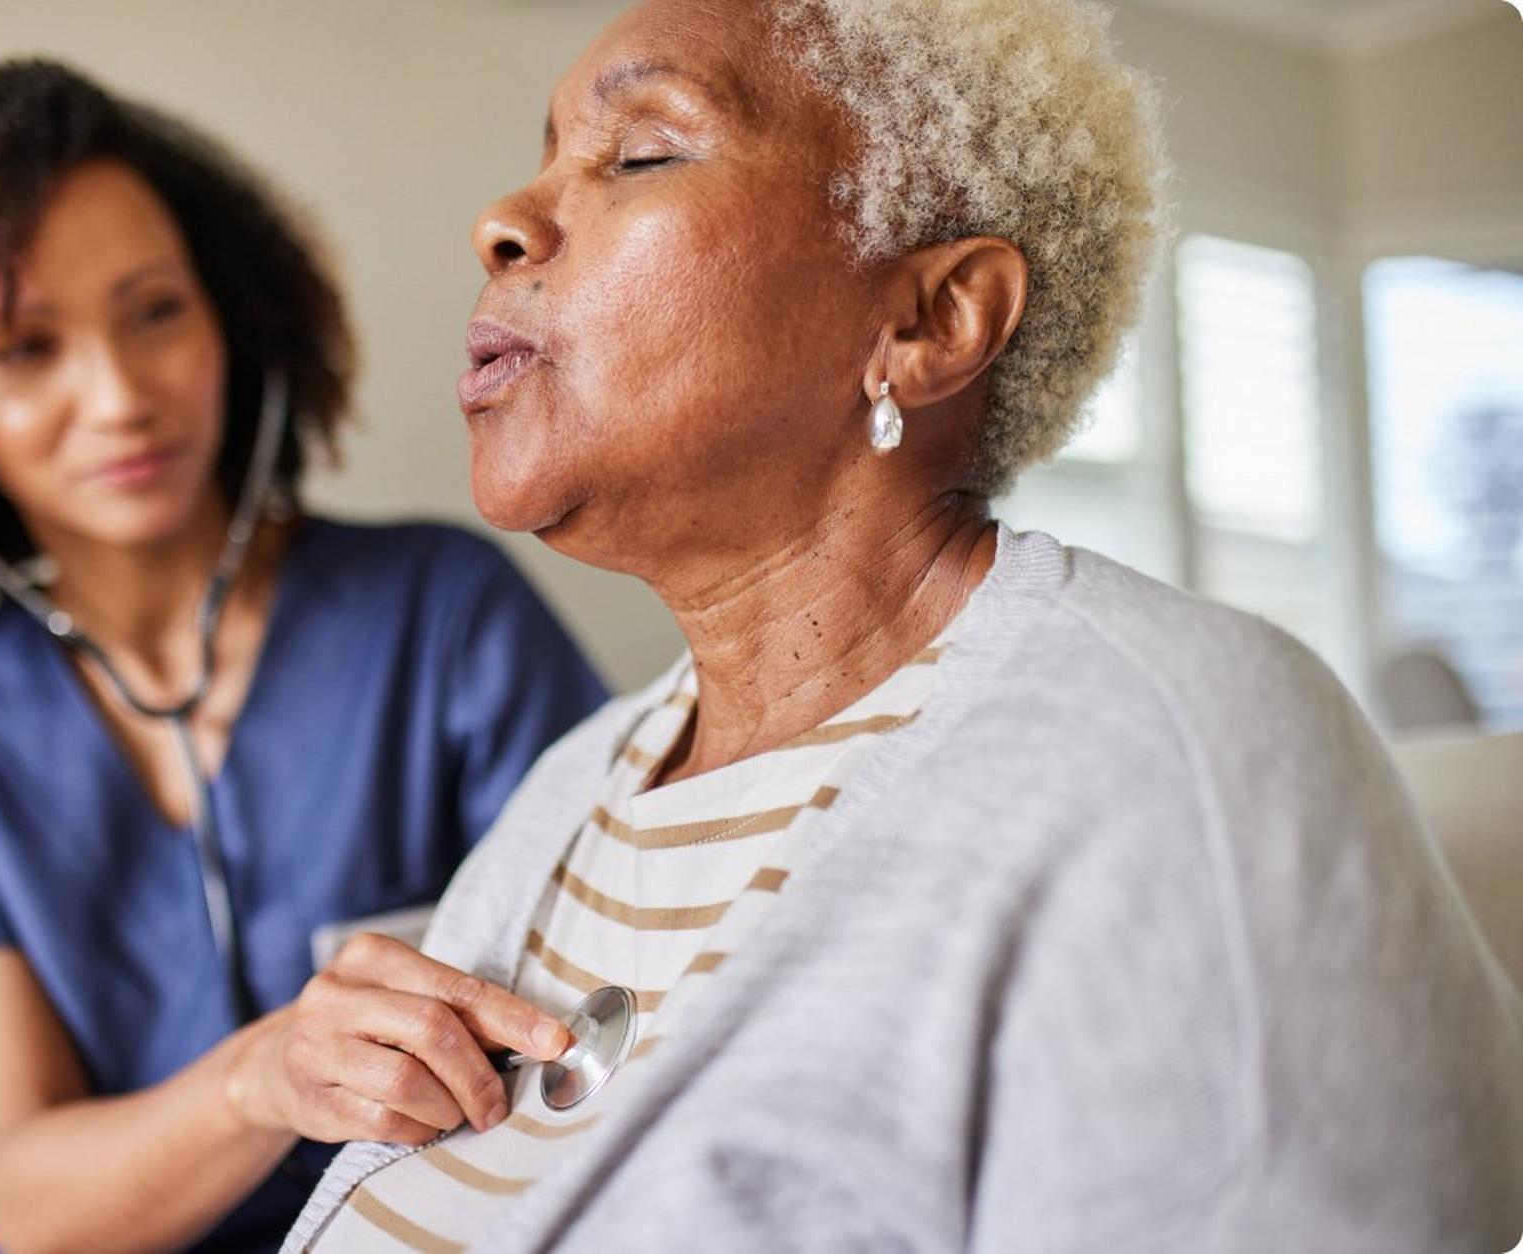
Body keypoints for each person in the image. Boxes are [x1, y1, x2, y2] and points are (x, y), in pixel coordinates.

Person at [274, 0, 1523, 1249]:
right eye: (545, 152)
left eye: (641, 152)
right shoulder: (572, 789)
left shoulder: (1188, 756)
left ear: (929, 322)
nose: (505, 220)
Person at [0, 61, 605, 1254]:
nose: (119, 396)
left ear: (227, 319)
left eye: (154, 311)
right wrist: (261, 1080)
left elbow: (610, 1011)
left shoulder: (439, 613)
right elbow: (23, 1192)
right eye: (27, 349)